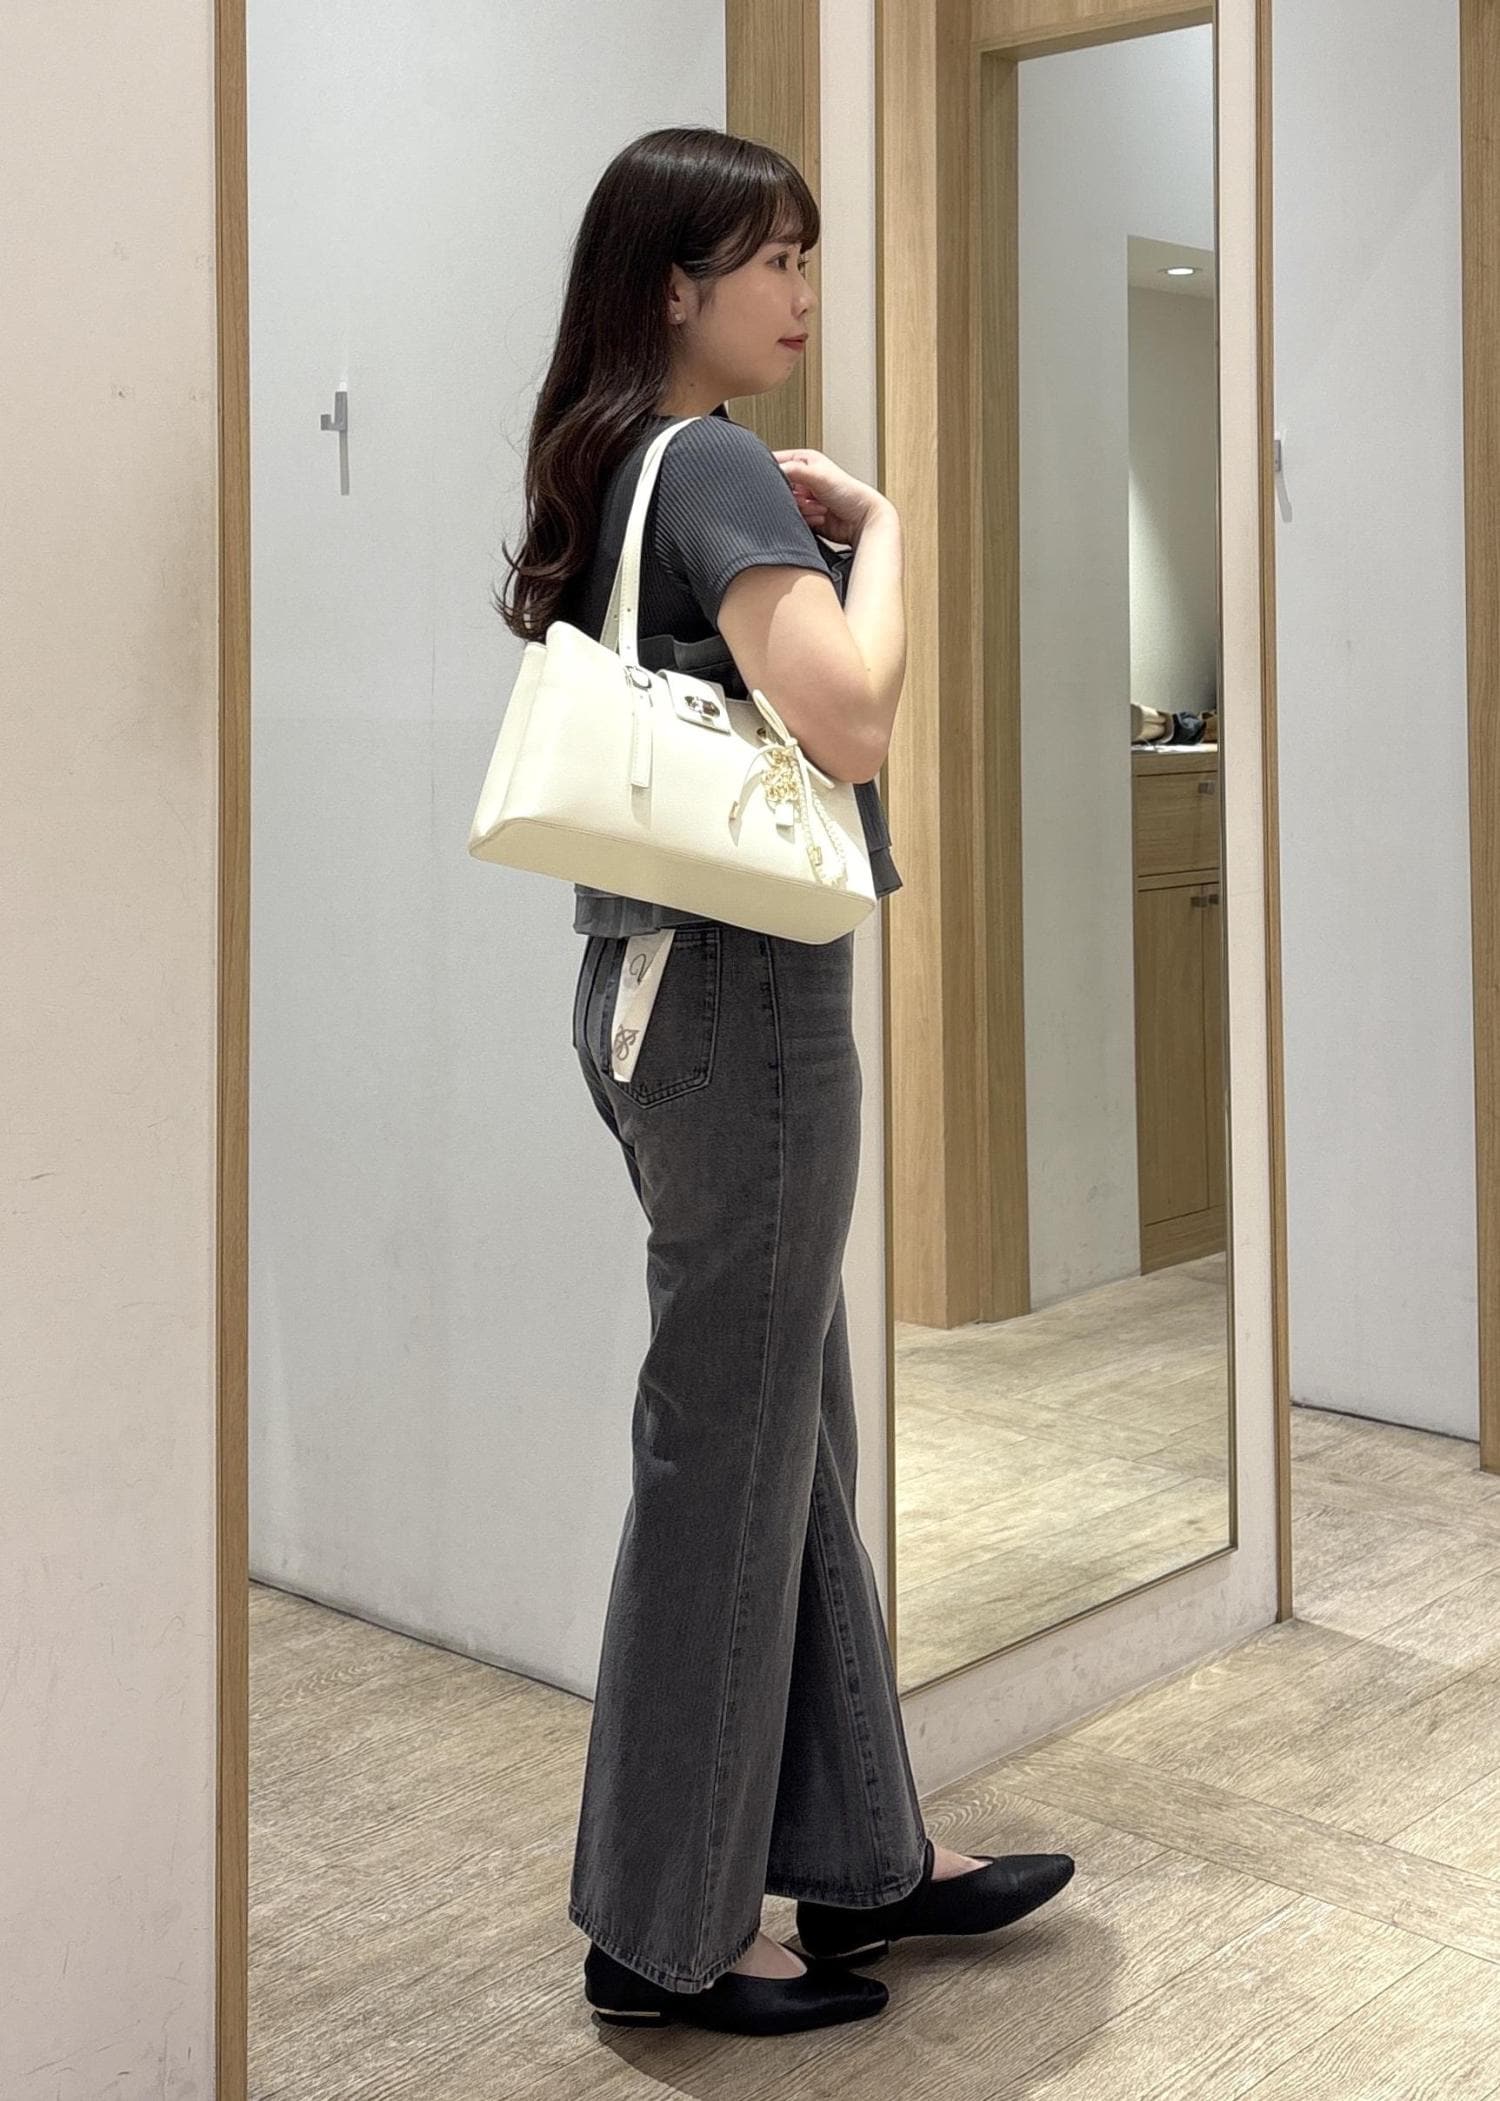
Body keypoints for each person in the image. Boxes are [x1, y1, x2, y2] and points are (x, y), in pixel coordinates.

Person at [497, 125, 1073, 2039]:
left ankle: (859, 1853)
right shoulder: (722, 461)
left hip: (649, 984)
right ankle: (662, 1932)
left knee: (779, 1439)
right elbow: (849, 712)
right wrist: (885, 532)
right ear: (678, 284)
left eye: (808, 259)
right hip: (743, 997)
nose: (803, 294)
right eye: (775, 261)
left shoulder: (610, 456)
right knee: (727, 1457)